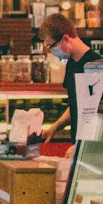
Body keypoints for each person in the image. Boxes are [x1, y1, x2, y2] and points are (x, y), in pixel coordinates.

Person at [40, 12, 93, 144]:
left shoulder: (93, 65)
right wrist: (55, 127)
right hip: (76, 144)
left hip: (90, 147)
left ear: (65, 39)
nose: (51, 50)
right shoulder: (71, 64)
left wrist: (81, 147)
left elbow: (93, 114)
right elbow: (75, 105)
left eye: (51, 45)